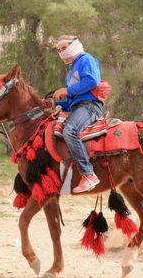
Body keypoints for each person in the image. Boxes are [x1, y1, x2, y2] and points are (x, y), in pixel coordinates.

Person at [52, 35, 104, 193]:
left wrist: (66, 90)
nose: (61, 52)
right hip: (78, 107)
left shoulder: (85, 59)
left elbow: (92, 81)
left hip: (90, 106)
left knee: (70, 130)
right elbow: (71, 101)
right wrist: (55, 104)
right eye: (59, 50)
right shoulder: (70, 74)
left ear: (74, 45)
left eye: (64, 48)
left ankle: (89, 174)